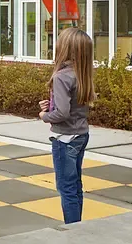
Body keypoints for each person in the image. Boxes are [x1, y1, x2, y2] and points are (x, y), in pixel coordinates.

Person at [37, 28, 95, 224]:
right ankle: (78, 227)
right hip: (81, 135)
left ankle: (72, 231)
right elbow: (73, 106)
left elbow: (62, 114)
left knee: (66, 188)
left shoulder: (61, 76)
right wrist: (50, 105)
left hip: (65, 139)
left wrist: (44, 115)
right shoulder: (83, 74)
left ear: (64, 49)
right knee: (75, 185)